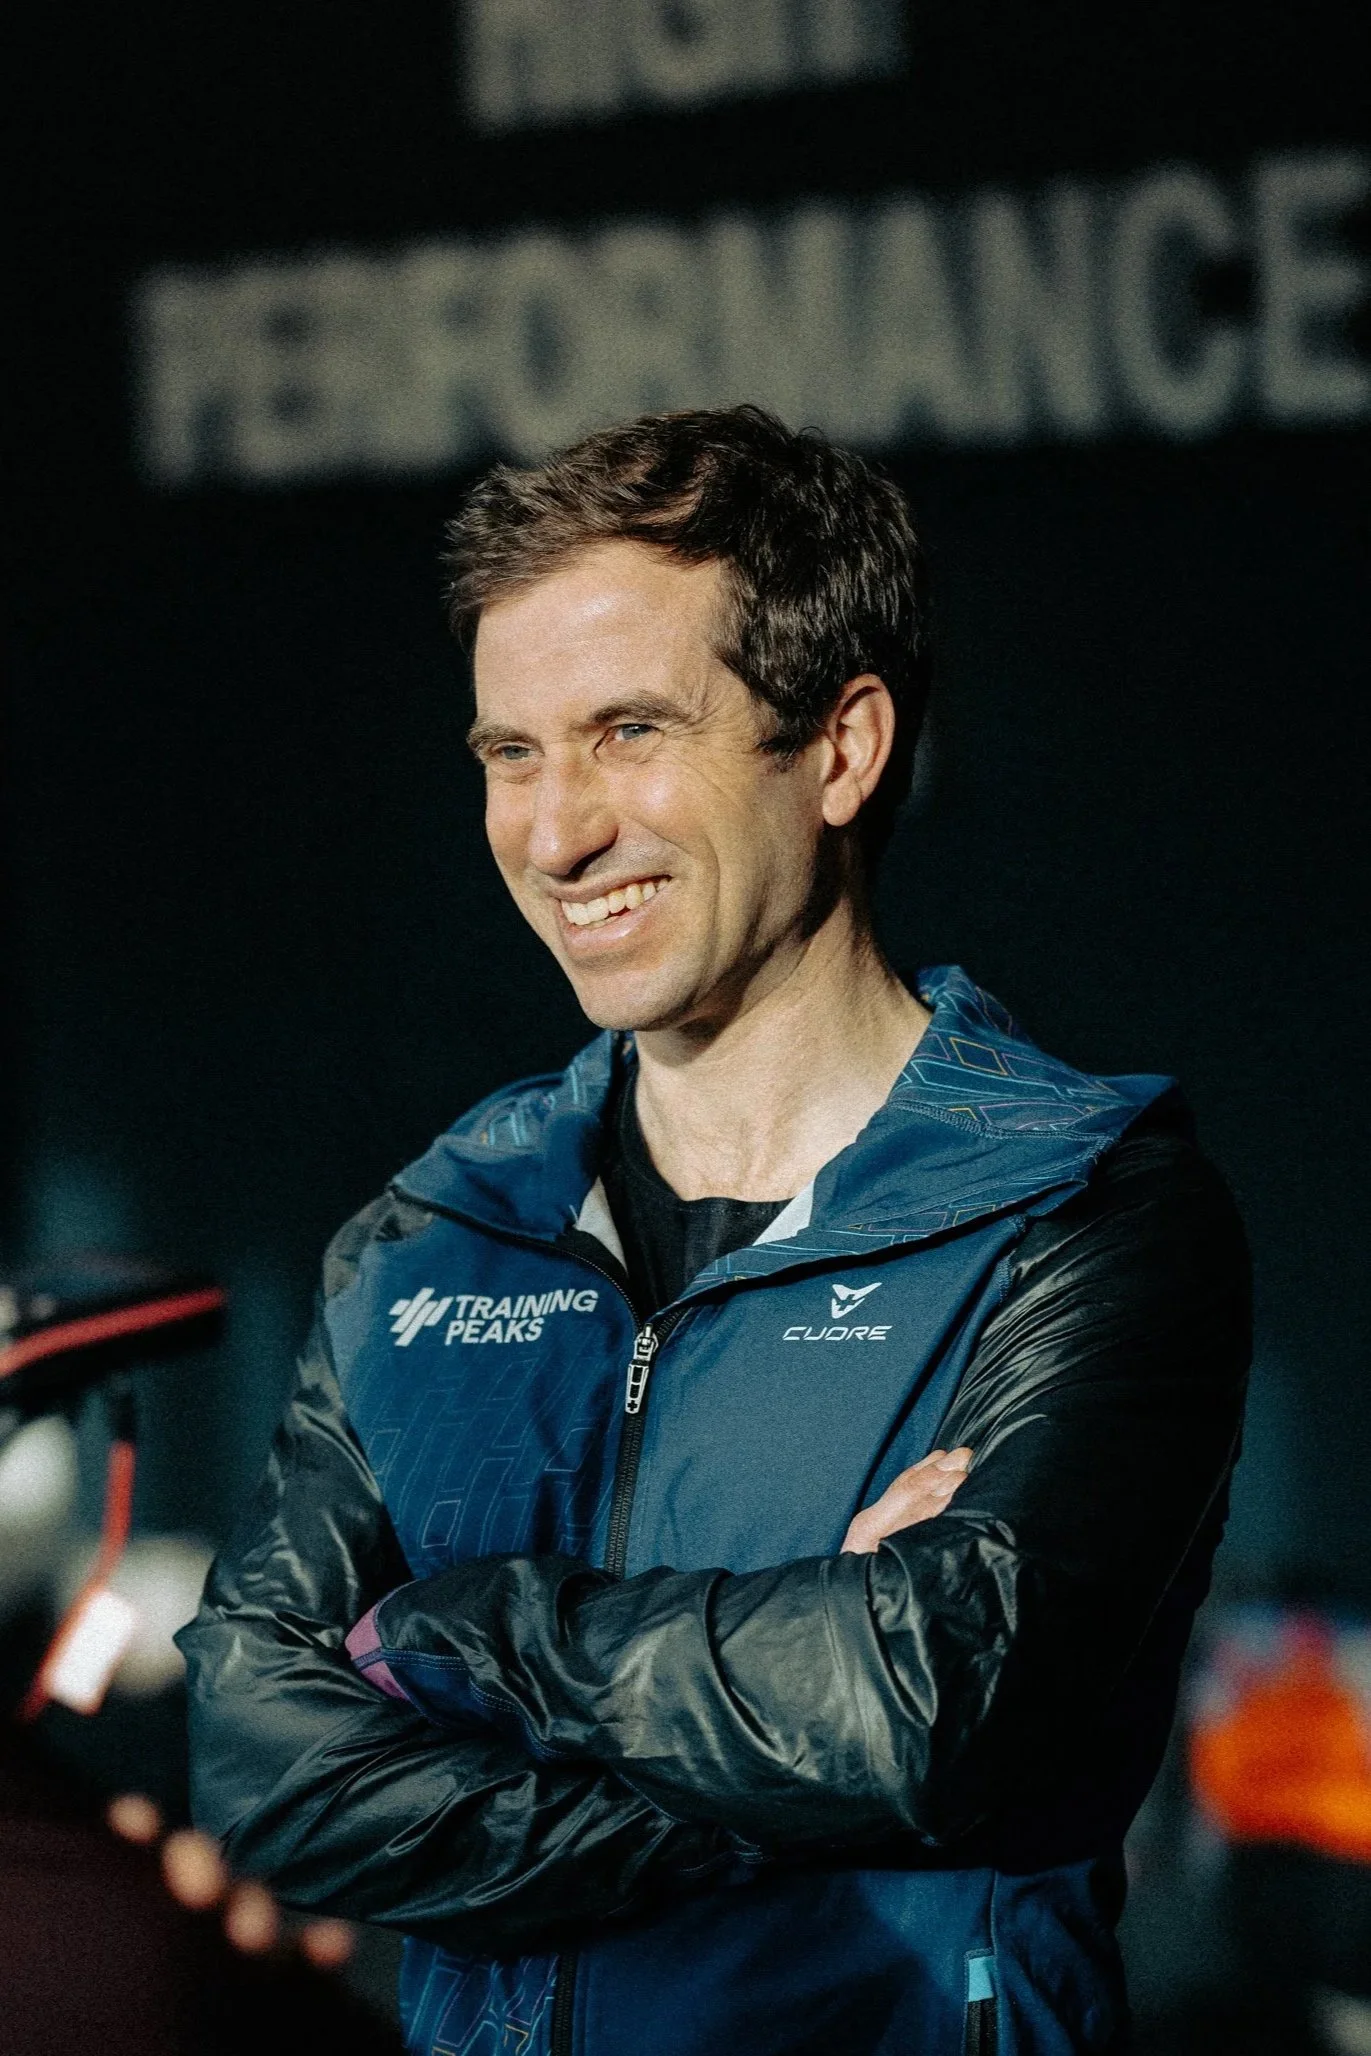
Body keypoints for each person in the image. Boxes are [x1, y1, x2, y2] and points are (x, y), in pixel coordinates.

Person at [179, 406, 1250, 2056]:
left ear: (839, 748)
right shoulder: (433, 1237)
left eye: (628, 732)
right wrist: (787, 1747)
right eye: (510, 755)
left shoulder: (1083, 1207)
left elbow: (933, 1702)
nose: (555, 835)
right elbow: (263, 1760)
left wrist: (461, 1635)